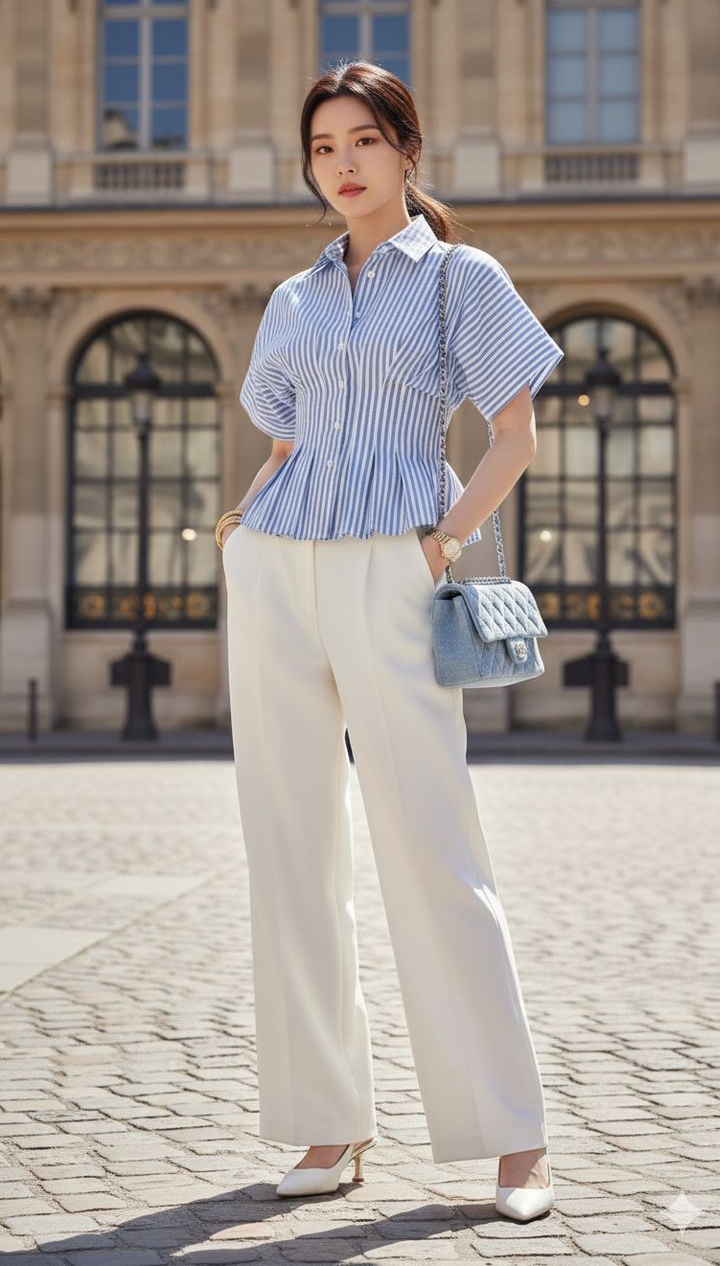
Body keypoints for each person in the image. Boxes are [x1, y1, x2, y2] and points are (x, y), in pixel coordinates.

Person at [218, 60, 564, 1223]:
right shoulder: (293, 297)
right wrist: (239, 528)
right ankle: (329, 1119)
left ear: (407, 149)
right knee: (289, 847)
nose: (343, 163)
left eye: (363, 140)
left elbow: (511, 433)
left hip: (391, 564)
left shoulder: (461, 276)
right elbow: (283, 438)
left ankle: (513, 1140)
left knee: (433, 845)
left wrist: (441, 546)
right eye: (323, 147)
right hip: (277, 567)